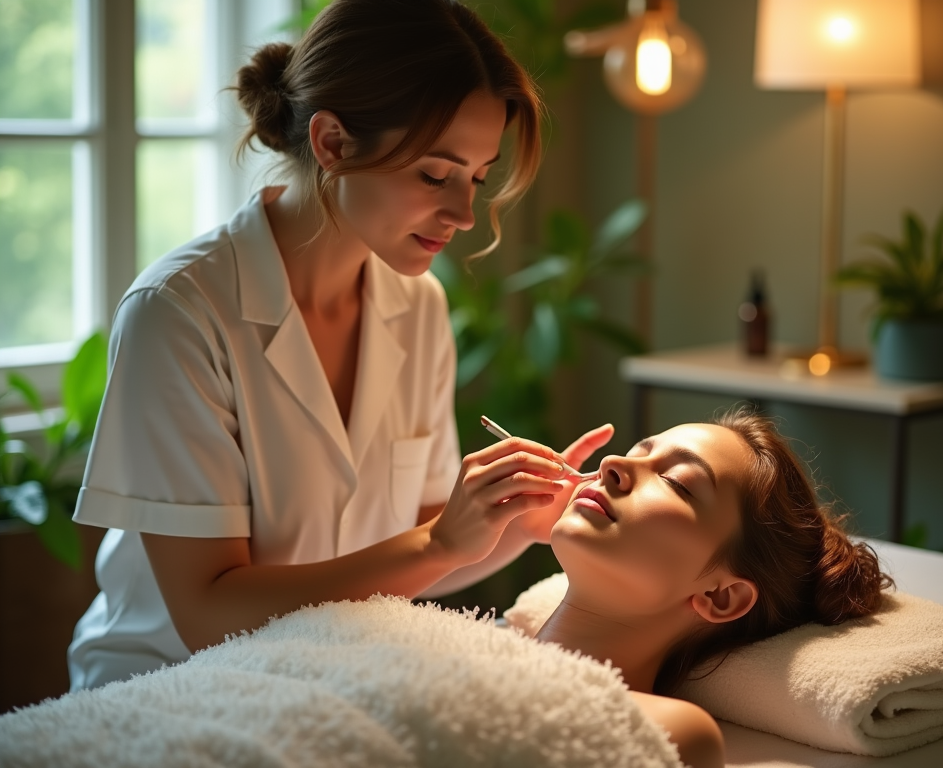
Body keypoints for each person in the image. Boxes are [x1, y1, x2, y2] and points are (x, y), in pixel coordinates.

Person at [68, 0, 612, 691]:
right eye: (433, 174)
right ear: (332, 143)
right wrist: (440, 540)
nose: (463, 214)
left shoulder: (417, 304)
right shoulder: (177, 313)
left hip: (327, 678)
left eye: (475, 177)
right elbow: (208, 612)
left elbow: (409, 559)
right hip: (168, 687)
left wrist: (514, 525)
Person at [537, 408, 892, 768]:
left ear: (720, 596)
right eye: (634, 454)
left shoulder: (660, 733)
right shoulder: (483, 639)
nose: (611, 463)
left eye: (677, 482)